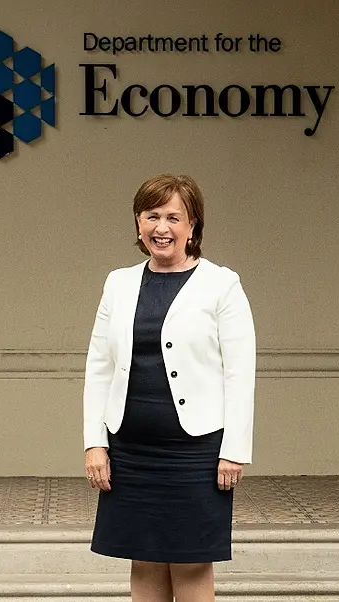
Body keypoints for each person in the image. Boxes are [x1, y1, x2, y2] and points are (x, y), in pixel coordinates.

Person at [83, 174, 256, 601]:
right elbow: (99, 366)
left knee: (192, 560)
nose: (162, 227)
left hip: (194, 450)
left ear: (193, 225)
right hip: (130, 447)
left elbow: (240, 371)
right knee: (143, 559)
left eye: (173, 217)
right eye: (152, 215)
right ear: (138, 224)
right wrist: (95, 443)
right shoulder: (117, 283)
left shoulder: (222, 284)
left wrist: (234, 450)